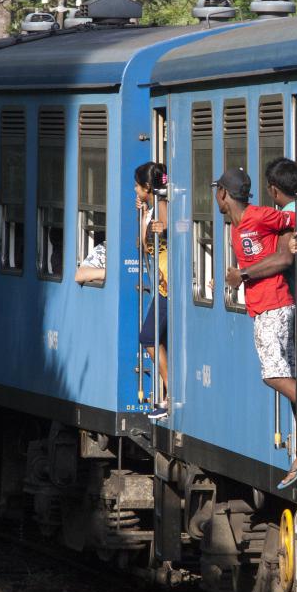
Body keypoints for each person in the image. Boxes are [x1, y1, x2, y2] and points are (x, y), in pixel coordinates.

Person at [215, 167, 297, 490]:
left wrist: (291, 245)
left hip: (276, 305)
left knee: (273, 375)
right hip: (264, 307)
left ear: (224, 195)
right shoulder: (237, 225)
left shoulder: (259, 215)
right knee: (289, 378)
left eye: (217, 191)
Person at [227, 157, 297, 379]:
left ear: (273, 191)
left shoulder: (280, 218)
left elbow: (284, 258)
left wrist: (242, 274)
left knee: (286, 376)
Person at [134, 162, 171, 420]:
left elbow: (173, 233)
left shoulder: (164, 207)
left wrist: (163, 228)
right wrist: (143, 215)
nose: (135, 190)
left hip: (168, 285)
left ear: (147, 187)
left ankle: (171, 392)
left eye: (137, 185)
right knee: (153, 338)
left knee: (148, 336)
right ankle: (169, 393)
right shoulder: (150, 209)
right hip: (161, 284)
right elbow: (140, 244)